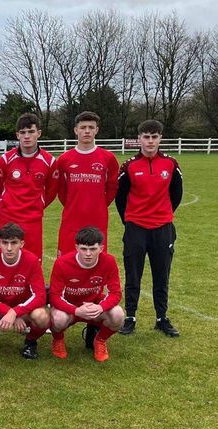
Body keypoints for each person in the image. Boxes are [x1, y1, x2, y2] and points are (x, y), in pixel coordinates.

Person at [115, 119, 183, 337]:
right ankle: (130, 317)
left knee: (161, 275)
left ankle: (161, 318)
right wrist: (131, 221)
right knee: (133, 274)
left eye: (154, 136)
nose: (150, 141)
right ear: (139, 139)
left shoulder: (171, 164)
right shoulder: (129, 166)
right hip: (136, 228)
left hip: (162, 228)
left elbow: (176, 195)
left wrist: (162, 214)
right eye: (146, 136)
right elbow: (120, 198)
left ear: (160, 138)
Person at [49, 227, 124, 362]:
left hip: (94, 306)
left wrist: (100, 307)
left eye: (93, 249)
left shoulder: (109, 261)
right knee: (58, 318)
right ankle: (58, 339)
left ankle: (100, 341)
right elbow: (54, 296)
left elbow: (116, 293)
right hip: (70, 308)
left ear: (101, 248)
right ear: (77, 247)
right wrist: (76, 310)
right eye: (84, 249)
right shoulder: (62, 263)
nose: (88, 254)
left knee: (118, 315)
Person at [0, 223, 49, 359]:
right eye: (5, 243)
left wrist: (16, 312)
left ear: (22, 243)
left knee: (42, 316)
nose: (9, 248)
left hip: (24, 310)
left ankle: (30, 342)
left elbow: (40, 296)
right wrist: (8, 312)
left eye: (14, 243)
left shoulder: (32, 260)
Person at [0, 112, 58, 263]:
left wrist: (38, 205)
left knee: (32, 262)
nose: (26, 136)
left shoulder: (50, 161)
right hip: (7, 218)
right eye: (23, 132)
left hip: (33, 221)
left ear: (38, 133)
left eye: (31, 131)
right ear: (17, 135)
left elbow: (52, 191)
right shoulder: (5, 160)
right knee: (1, 261)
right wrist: (6, 203)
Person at [56, 111, 119, 256]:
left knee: (95, 261)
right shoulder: (64, 159)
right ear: (76, 130)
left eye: (91, 127)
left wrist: (99, 204)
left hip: (97, 218)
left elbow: (111, 188)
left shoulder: (108, 158)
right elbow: (61, 190)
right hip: (71, 219)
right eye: (83, 127)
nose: (87, 131)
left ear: (96, 130)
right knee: (68, 261)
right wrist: (74, 204)